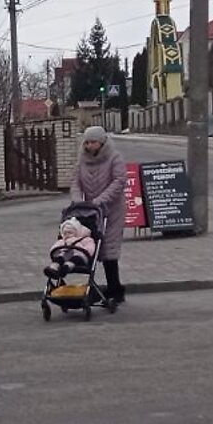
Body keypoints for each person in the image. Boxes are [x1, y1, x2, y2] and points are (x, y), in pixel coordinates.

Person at [67, 125, 128, 307]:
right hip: (91, 211)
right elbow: (75, 181)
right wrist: (78, 201)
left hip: (112, 210)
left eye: (92, 142)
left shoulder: (114, 158)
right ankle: (99, 286)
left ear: (101, 143)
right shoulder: (82, 160)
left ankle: (115, 289)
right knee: (92, 247)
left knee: (109, 249)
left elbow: (119, 181)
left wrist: (100, 200)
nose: (88, 146)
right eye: (86, 142)